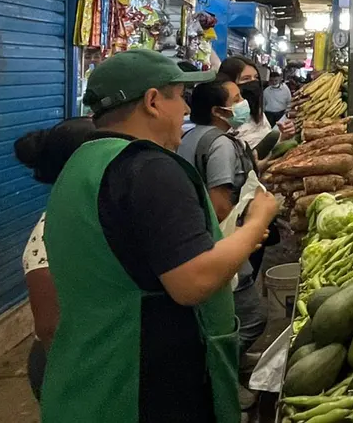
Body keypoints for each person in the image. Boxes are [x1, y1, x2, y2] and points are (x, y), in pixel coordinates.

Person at [39, 49, 278, 423]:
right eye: (179, 97)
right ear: (152, 101)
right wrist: (254, 224)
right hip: (144, 387)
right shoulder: (151, 170)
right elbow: (192, 281)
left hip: (85, 379)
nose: (185, 111)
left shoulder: (80, 165)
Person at [179, 78, 268, 356]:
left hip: (195, 240)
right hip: (220, 242)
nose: (243, 103)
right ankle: (223, 372)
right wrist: (251, 228)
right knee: (252, 318)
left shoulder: (189, 137)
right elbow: (220, 207)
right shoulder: (220, 145)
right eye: (237, 98)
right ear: (218, 111)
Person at [15, 117, 97, 400]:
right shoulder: (51, 229)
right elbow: (50, 327)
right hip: (67, 366)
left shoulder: (95, 214)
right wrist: (80, 385)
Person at [218, 56, 295, 152]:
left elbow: (268, 147)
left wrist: (283, 137)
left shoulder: (258, 114)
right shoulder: (225, 121)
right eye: (246, 78)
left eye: (256, 78)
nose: (253, 82)